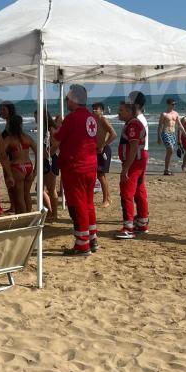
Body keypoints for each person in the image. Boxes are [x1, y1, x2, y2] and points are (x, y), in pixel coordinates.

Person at [53, 84, 98, 256]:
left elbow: (57, 139)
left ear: (73, 100)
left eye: (67, 99)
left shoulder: (72, 118)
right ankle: (92, 238)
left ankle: (82, 244)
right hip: (90, 165)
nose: (66, 101)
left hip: (75, 167)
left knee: (78, 205)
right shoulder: (91, 117)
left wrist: (55, 128)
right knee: (88, 203)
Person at [116, 100, 149, 238]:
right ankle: (142, 223)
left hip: (134, 162)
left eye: (121, 110)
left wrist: (126, 169)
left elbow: (134, 147)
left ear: (130, 111)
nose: (118, 113)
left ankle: (128, 227)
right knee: (139, 191)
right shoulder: (133, 123)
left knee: (127, 193)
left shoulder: (133, 125)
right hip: (139, 161)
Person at [3, 114, 37, 213]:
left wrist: (7, 168)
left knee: (19, 196)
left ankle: (22, 218)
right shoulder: (28, 137)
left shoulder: (9, 139)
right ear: (21, 125)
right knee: (27, 194)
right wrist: (36, 170)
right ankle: (29, 217)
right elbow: (38, 153)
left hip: (17, 167)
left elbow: (1, 154)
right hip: (29, 167)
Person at [34, 108, 59, 220]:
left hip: (50, 160)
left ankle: (54, 214)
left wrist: (46, 154)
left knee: (51, 188)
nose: (35, 119)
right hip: (45, 160)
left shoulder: (50, 129)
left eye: (36, 117)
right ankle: (50, 211)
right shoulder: (42, 129)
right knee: (39, 188)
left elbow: (56, 145)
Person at [91, 102, 117, 208]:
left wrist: (103, 145)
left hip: (104, 150)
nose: (94, 110)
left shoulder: (103, 120)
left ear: (101, 110)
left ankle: (106, 199)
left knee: (101, 175)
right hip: (97, 150)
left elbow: (114, 134)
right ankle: (108, 197)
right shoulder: (93, 120)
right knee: (101, 175)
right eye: (93, 108)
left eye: (96, 109)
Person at [157, 98, 186, 175]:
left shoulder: (176, 114)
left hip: (173, 134)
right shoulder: (164, 114)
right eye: (173, 104)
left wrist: (185, 134)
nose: (174, 105)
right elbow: (160, 126)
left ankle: (167, 169)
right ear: (168, 104)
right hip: (165, 133)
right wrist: (159, 137)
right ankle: (166, 169)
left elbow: (180, 125)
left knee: (170, 152)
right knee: (170, 149)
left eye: (175, 104)